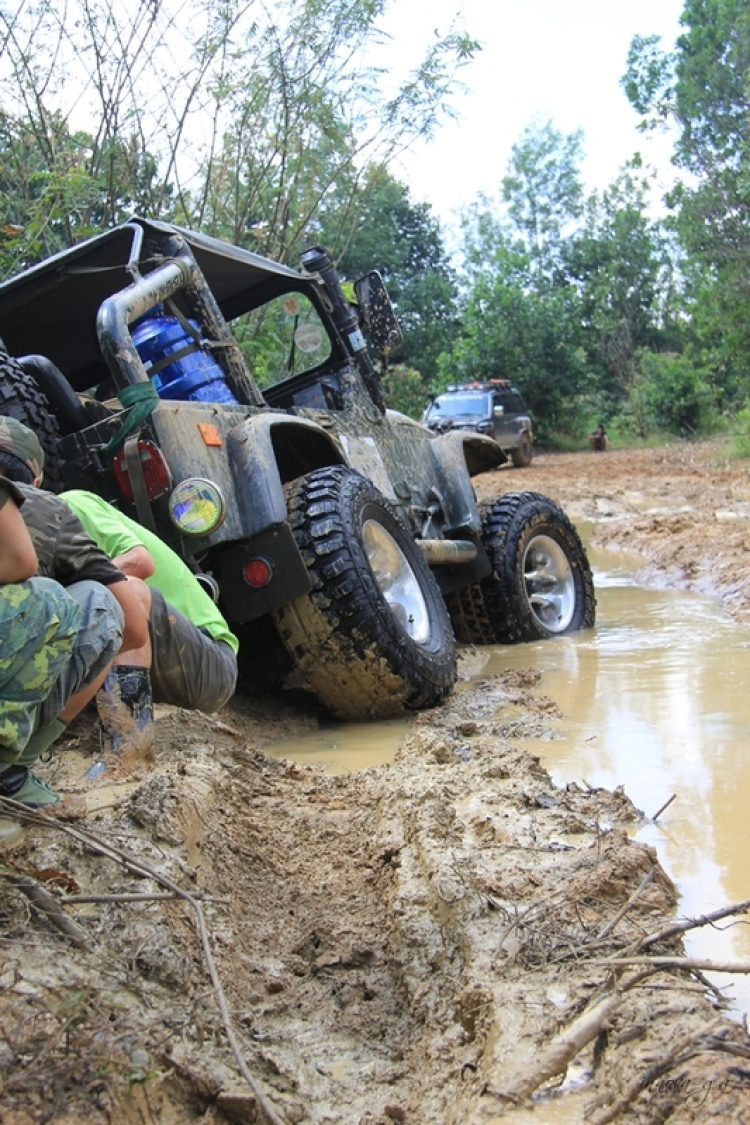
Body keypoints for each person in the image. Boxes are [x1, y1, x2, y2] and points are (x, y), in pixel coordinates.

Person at [0, 418, 150, 801]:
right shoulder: (51, 509)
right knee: (96, 604)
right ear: (33, 482)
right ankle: (14, 770)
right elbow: (133, 628)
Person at [61, 490, 239, 718]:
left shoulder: (71, 505)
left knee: (122, 588)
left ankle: (129, 741)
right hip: (160, 665)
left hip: (210, 665)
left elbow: (140, 561)